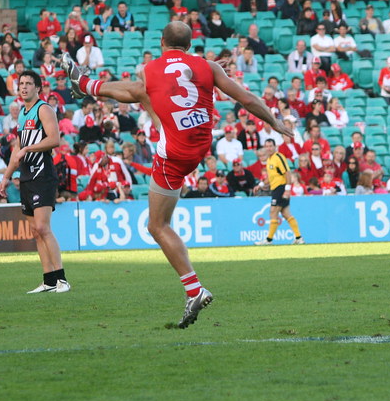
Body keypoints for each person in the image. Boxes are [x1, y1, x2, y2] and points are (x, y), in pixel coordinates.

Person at [63, 21, 293, 328]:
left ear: (161, 42)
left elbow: (142, 87)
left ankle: (194, 290)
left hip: (173, 153)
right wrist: (274, 122)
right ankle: (87, 86)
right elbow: (248, 99)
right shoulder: (208, 66)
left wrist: (97, 88)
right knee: (145, 96)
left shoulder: (150, 68)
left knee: (156, 225)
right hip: (199, 145)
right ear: (190, 44)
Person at [0, 70, 71, 294]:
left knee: (43, 227)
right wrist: (7, 176)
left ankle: (62, 279)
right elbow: (18, 149)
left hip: (43, 173)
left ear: (38, 88)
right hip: (27, 176)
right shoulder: (22, 113)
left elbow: (54, 139)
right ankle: (49, 280)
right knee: (35, 231)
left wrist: (29, 148)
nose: (24, 87)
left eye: (29, 83)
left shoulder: (44, 109)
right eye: (21, 84)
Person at [254, 138, 305, 246]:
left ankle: (269, 240)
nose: (269, 148)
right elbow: (271, 176)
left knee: (273, 212)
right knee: (286, 214)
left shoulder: (278, 157)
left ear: (275, 146)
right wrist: (261, 185)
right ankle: (299, 238)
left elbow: (287, 173)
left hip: (280, 188)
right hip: (275, 188)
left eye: (270, 146)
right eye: (267, 146)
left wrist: (287, 189)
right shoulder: (269, 160)